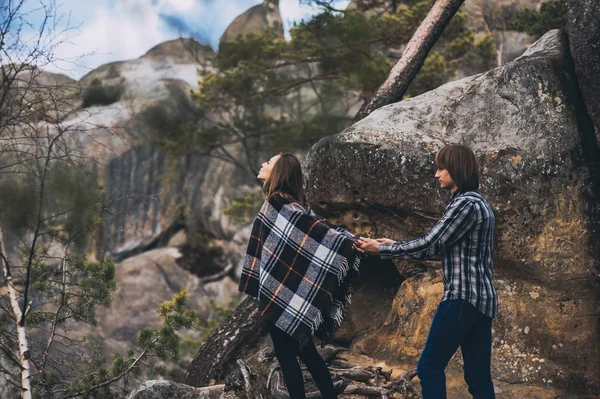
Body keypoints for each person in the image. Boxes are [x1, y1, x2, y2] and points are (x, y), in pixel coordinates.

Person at [356, 144, 497, 399]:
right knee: (478, 378)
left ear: (457, 169)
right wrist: (394, 244)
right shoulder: (479, 203)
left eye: (441, 168)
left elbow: (431, 243)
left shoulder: (464, 204)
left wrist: (383, 250)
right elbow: (442, 249)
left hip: (462, 299)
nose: (437, 174)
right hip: (482, 302)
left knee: (429, 368)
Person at [238, 153, 361, 399]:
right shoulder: (289, 205)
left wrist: (352, 242)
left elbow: (322, 234)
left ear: (279, 172)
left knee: (288, 356)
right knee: (305, 353)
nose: (263, 164)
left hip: (282, 294)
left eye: (269, 163)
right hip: (287, 294)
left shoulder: (279, 205)